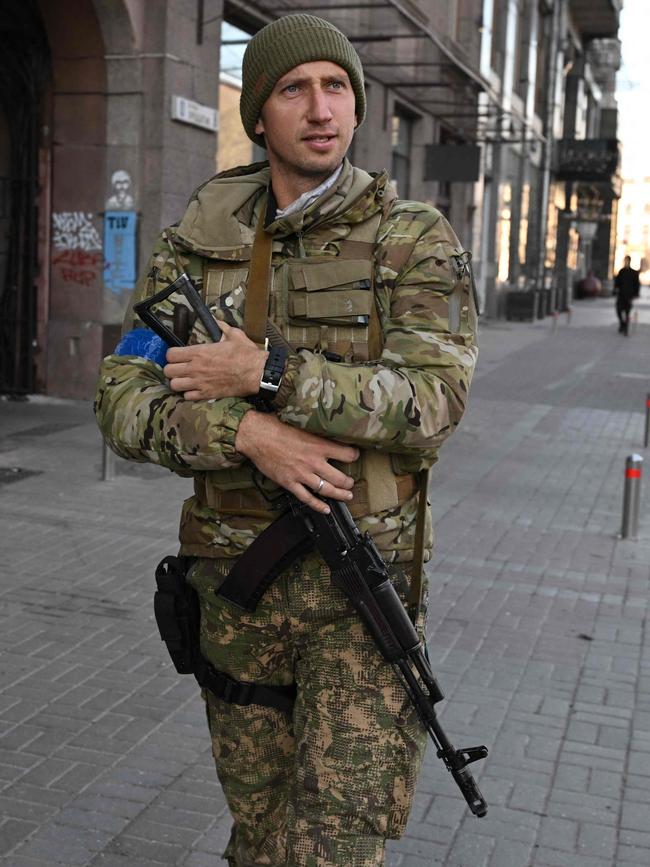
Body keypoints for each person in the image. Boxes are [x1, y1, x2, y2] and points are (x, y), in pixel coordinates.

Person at [95, 14, 478, 866]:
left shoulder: (413, 239)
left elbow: (432, 403)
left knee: (332, 850)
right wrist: (249, 433)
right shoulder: (198, 242)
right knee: (258, 837)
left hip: (360, 600)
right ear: (259, 113)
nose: (319, 108)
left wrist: (271, 375)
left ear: (357, 107)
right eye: (293, 89)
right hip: (238, 593)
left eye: (336, 87)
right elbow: (120, 396)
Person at [614, 255, 640, 335]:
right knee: (618, 310)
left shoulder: (634, 273)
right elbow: (617, 282)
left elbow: (637, 284)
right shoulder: (621, 271)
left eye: (627, 261)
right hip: (621, 295)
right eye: (625, 261)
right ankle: (622, 323)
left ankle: (626, 328)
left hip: (629, 296)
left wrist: (636, 294)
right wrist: (615, 289)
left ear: (629, 261)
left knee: (627, 312)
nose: (626, 262)